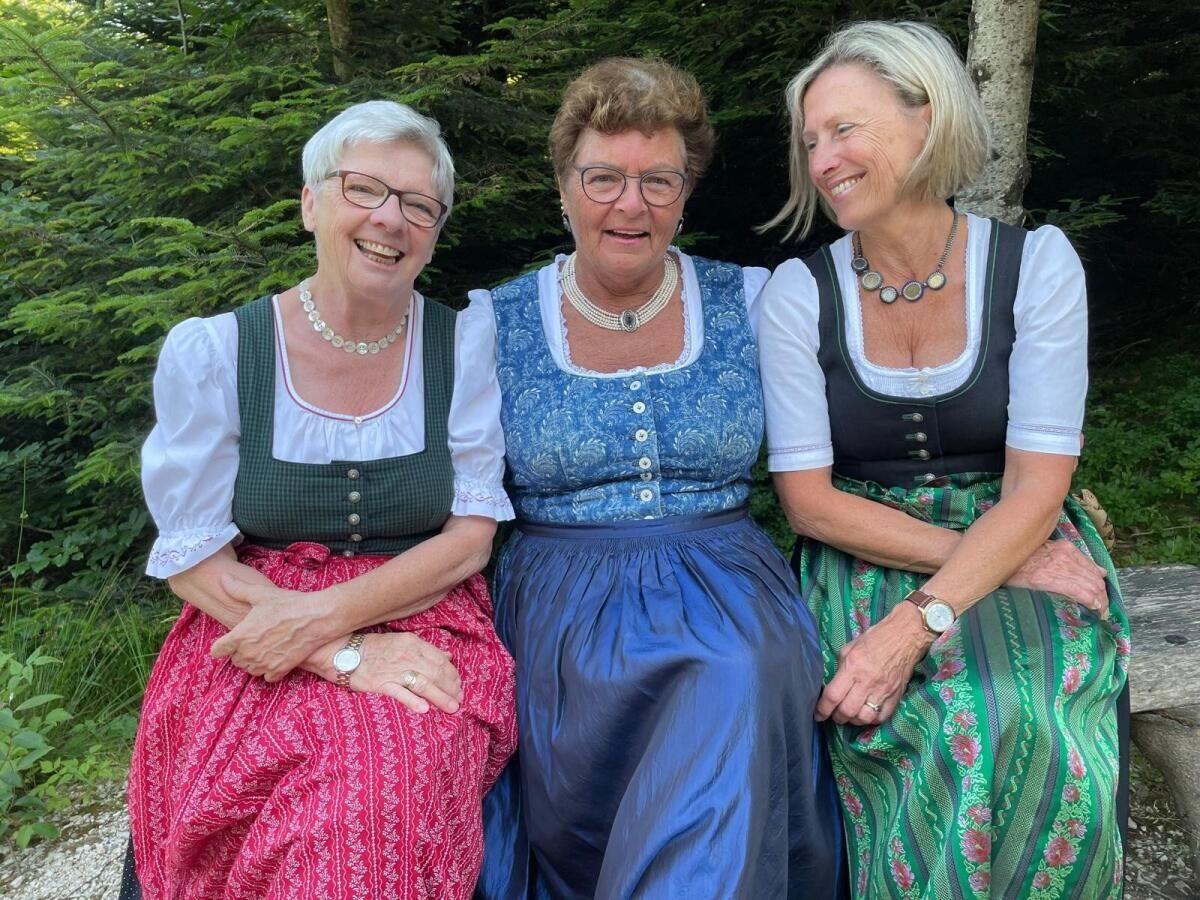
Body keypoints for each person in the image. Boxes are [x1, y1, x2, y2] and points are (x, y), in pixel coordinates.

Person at [757, 21, 1131, 898]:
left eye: (844, 129)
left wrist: (921, 619)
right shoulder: (797, 295)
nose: (823, 160)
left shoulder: (1036, 267)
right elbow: (810, 504)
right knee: (940, 720)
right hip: (866, 546)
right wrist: (984, 571)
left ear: (926, 119)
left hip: (1018, 526)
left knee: (1026, 714)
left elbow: (1037, 488)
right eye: (811, 141)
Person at [470, 58, 842, 899]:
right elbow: (452, 501)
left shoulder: (755, 300)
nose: (630, 204)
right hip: (557, 608)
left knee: (732, 676)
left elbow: (849, 440)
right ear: (563, 186)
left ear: (686, 192)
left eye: (658, 181)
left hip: (727, 593)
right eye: (603, 177)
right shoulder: (493, 322)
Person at [126, 100, 517, 899]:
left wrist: (337, 625)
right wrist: (340, 653)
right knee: (225, 798)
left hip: (420, 613)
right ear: (311, 203)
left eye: (419, 205)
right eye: (364, 189)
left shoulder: (461, 345)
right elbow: (194, 560)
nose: (390, 219)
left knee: (374, 803)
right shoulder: (219, 351)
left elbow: (470, 539)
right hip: (249, 621)